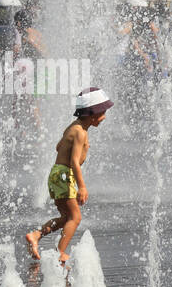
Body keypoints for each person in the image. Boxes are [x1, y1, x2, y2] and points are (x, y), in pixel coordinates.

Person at [25, 86, 113, 265]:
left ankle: (36, 235)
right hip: (64, 175)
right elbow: (73, 162)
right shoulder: (80, 132)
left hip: (58, 175)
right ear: (92, 113)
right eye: (102, 112)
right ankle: (59, 252)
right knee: (76, 217)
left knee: (66, 217)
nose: (104, 117)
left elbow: (58, 147)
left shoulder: (74, 127)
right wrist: (82, 186)